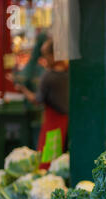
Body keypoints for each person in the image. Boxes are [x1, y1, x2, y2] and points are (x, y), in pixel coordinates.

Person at [15, 38, 69, 168]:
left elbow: (36, 100)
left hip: (52, 123)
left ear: (53, 55)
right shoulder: (69, 71)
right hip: (67, 121)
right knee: (61, 161)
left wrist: (22, 89)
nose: (44, 58)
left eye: (46, 55)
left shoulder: (48, 76)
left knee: (47, 162)